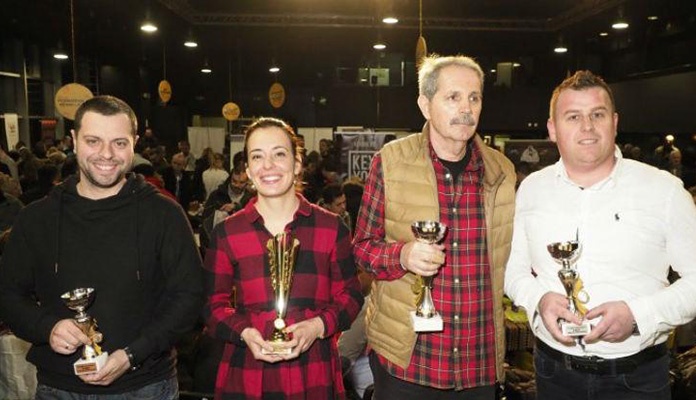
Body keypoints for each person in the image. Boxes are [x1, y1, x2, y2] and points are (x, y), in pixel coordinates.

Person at [504, 70, 696, 400]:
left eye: (597, 114)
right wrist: (539, 300)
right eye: (573, 116)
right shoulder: (532, 190)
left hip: (638, 379)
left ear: (615, 122)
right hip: (552, 373)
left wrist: (637, 316)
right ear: (552, 129)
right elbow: (513, 270)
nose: (587, 126)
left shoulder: (664, 190)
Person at [0, 95, 204, 399]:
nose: (106, 154)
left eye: (119, 143)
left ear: (134, 143)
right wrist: (47, 328)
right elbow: (8, 295)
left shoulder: (164, 214)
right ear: (74, 140)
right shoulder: (37, 218)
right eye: (93, 141)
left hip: (146, 387)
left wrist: (133, 354)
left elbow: (190, 297)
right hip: (59, 389)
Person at [352, 54, 516, 399]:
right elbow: (362, 249)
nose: (466, 108)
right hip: (407, 361)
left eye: (474, 97)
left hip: (478, 362)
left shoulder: (502, 172)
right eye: (453, 97)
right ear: (425, 105)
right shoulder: (390, 162)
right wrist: (402, 256)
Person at [203, 117, 364, 399]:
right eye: (257, 156)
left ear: (297, 163)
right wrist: (244, 332)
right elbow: (211, 305)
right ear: (248, 169)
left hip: (313, 370)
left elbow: (351, 297)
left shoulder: (331, 228)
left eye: (279, 154)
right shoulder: (227, 233)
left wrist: (317, 326)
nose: (268, 165)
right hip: (248, 371)